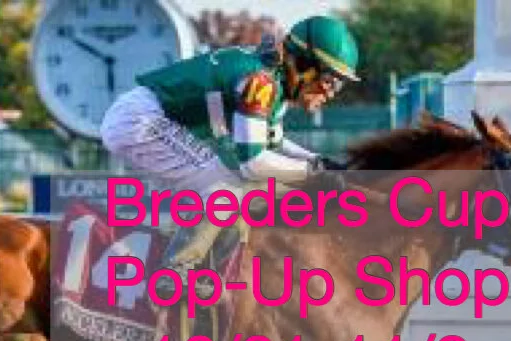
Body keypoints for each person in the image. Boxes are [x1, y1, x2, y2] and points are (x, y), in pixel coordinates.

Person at [100, 15, 360, 299]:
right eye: (331, 82)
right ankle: (174, 273)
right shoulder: (260, 82)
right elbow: (254, 163)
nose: (331, 93)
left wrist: (320, 161)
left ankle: (204, 272)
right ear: (304, 66)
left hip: (147, 118)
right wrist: (314, 171)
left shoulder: (271, 79)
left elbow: (274, 142)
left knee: (241, 189)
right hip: (139, 121)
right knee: (229, 185)